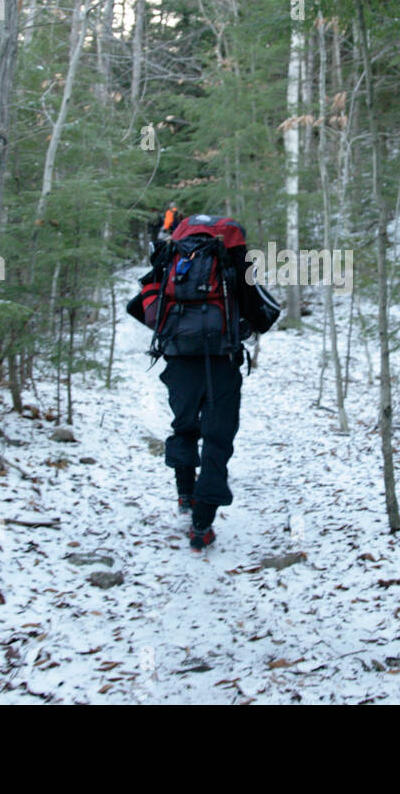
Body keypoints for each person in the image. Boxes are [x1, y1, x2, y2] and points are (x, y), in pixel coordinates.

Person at [126, 214, 280, 551]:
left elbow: (136, 306)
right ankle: (202, 524)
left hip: (178, 358)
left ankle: (185, 493)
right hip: (222, 359)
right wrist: (247, 325)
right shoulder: (233, 259)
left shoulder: (171, 254)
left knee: (184, 426)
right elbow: (259, 310)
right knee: (217, 437)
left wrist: (171, 330)